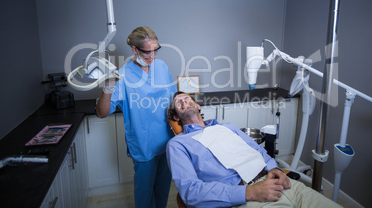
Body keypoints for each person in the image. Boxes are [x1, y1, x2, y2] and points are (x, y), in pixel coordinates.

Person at [166, 92, 342, 208]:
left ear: (198, 106)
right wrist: (248, 193)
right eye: (179, 102)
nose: (184, 101)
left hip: (282, 182)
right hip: (249, 197)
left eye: (188, 98)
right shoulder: (178, 144)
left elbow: (257, 149)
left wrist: (274, 168)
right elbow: (191, 192)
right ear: (176, 117)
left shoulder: (227, 127)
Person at [96, 26, 177, 208]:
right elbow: (101, 112)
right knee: (145, 193)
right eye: (147, 52)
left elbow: (172, 98)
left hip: (167, 140)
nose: (153, 56)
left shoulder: (161, 66)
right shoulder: (123, 75)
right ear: (135, 50)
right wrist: (108, 88)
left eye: (156, 50)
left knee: (163, 189)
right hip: (143, 143)